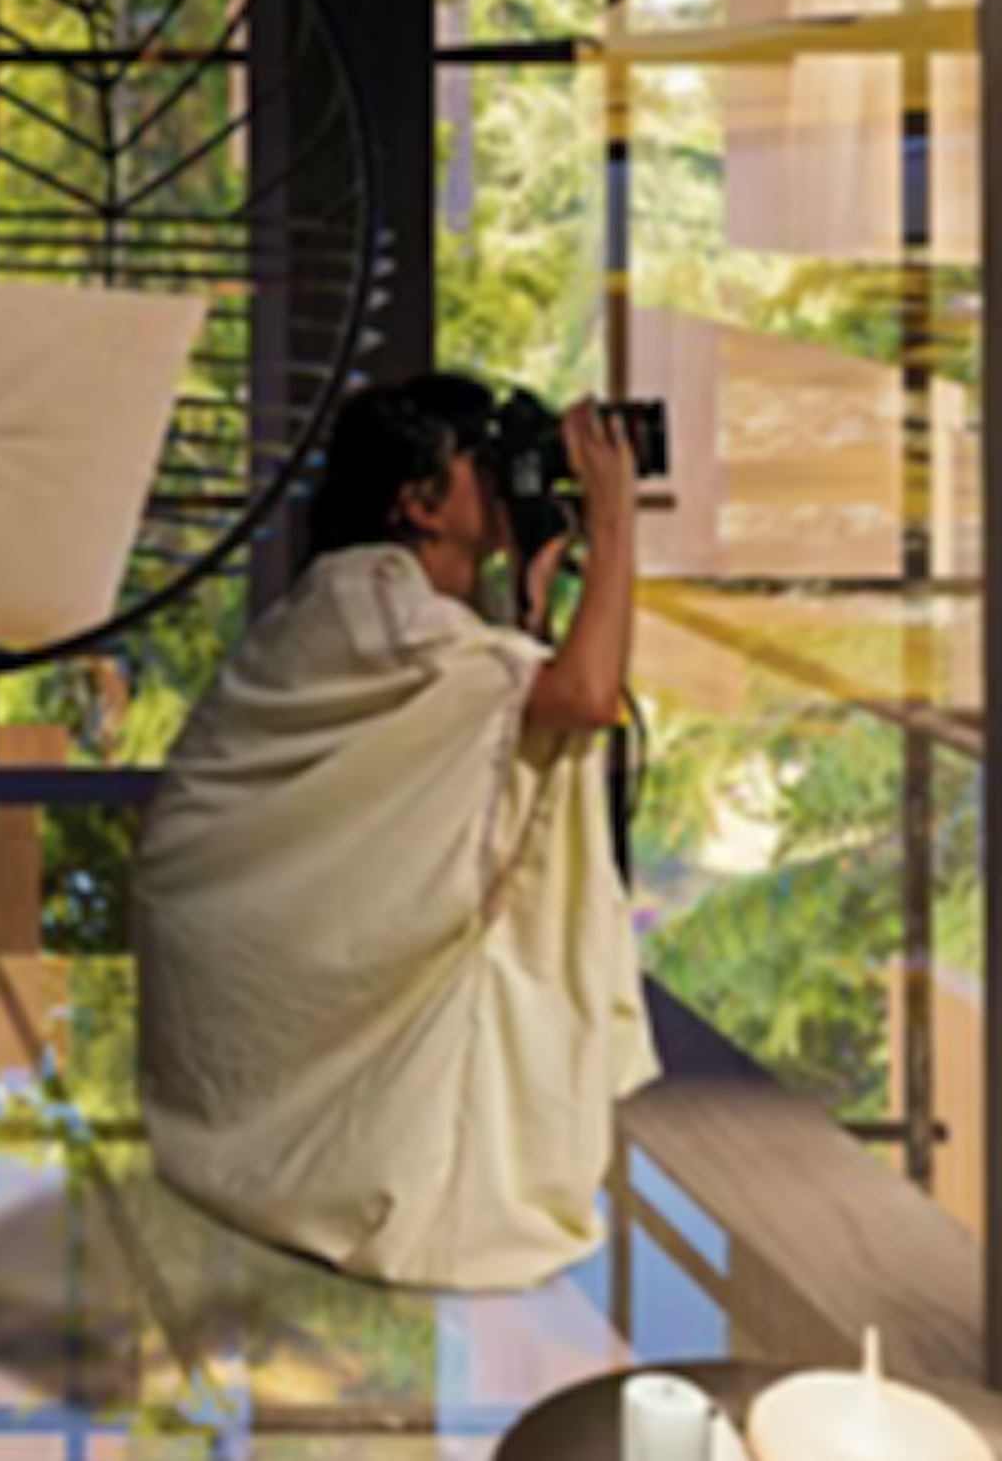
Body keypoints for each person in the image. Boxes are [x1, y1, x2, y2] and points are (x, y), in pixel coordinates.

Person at [135, 373, 659, 1290]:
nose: (502, 478)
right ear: (418, 501)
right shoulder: (371, 595)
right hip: (247, 918)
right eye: (478, 460)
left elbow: (491, 731)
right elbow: (578, 697)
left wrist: (532, 610)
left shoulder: (384, 602)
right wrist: (614, 524)